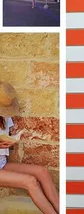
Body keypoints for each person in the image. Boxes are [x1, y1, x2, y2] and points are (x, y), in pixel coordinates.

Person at [0, 81, 59, 214]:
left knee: (42, 171)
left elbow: (6, 139)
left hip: (1, 163)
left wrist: (11, 141)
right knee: (30, 181)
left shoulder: (4, 118)